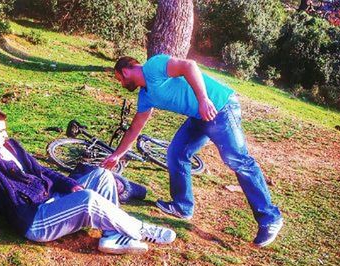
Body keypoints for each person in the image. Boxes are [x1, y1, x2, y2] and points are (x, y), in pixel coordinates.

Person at [101, 55, 283, 247]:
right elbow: (134, 129)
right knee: (177, 153)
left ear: (125, 71)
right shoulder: (145, 96)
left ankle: (270, 218)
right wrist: (117, 155)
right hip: (199, 117)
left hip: (220, 107)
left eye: (119, 79)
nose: (121, 84)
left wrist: (203, 99)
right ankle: (182, 206)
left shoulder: (153, 67)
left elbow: (189, 65)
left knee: (237, 160)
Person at [0, 105, 176, 254]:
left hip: (54, 199)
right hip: (35, 219)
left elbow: (41, 170)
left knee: (102, 175)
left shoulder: (10, 146)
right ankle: (141, 230)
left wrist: (69, 184)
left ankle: (112, 236)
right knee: (89, 200)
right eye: (1, 131)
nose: (6, 135)